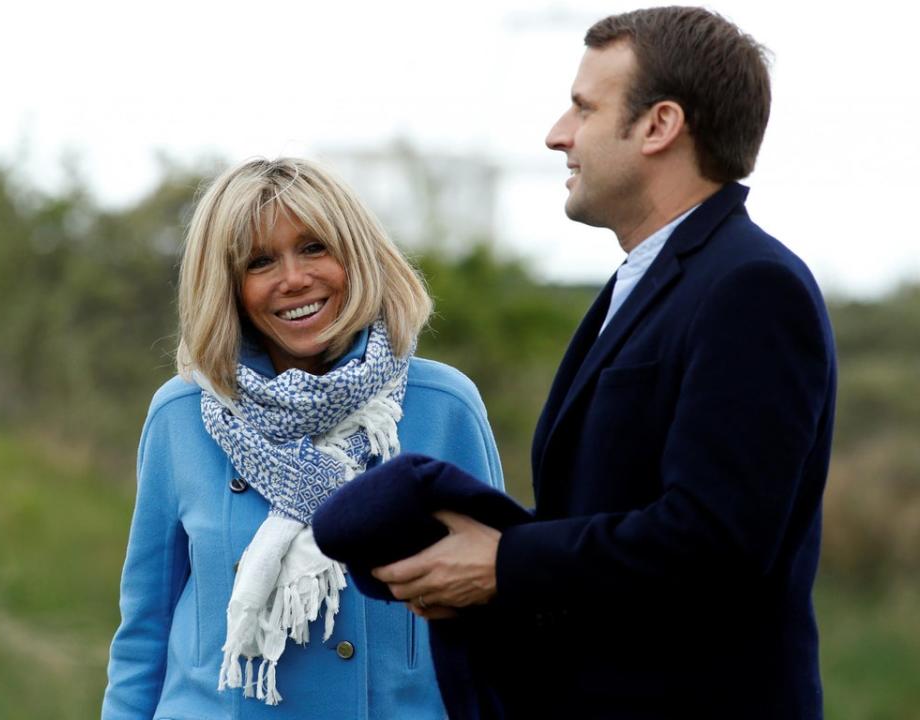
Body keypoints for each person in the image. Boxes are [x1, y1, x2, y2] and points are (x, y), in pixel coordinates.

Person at [373, 7, 837, 719]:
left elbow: (714, 543)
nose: (558, 134)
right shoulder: (651, 279)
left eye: (585, 108)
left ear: (660, 125)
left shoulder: (751, 287)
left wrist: (504, 564)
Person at [101, 157, 503, 720]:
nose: (293, 279)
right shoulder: (182, 413)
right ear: (229, 286)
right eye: (260, 261)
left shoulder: (443, 407)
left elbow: (494, 619)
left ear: (356, 256)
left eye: (314, 248)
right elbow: (145, 628)